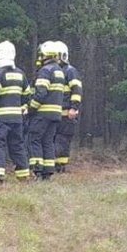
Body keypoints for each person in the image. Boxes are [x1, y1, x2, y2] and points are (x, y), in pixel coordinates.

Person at [0, 41, 31, 181]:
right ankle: (23, 176)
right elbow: (27, 96)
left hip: (1, 118)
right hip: (17, 119)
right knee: (17, 146)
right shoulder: (20, 74)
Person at [27, 42, 66, 179]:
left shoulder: (45, 70)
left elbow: (41, 93)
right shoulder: (59, 71)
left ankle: (37, 170)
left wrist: (30, 108)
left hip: (42, 113)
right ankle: (48, 172)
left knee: (34, 139)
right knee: (48, 142)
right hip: (55, 114)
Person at [53, 42, 83, 174]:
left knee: (63, 140)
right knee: (54, 140)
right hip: (54, 114)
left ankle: (61, 166)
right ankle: (54, 164)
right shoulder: (52, 71)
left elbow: (76, 90)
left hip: (66, 113)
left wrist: (74, 108)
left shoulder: (70, 71)